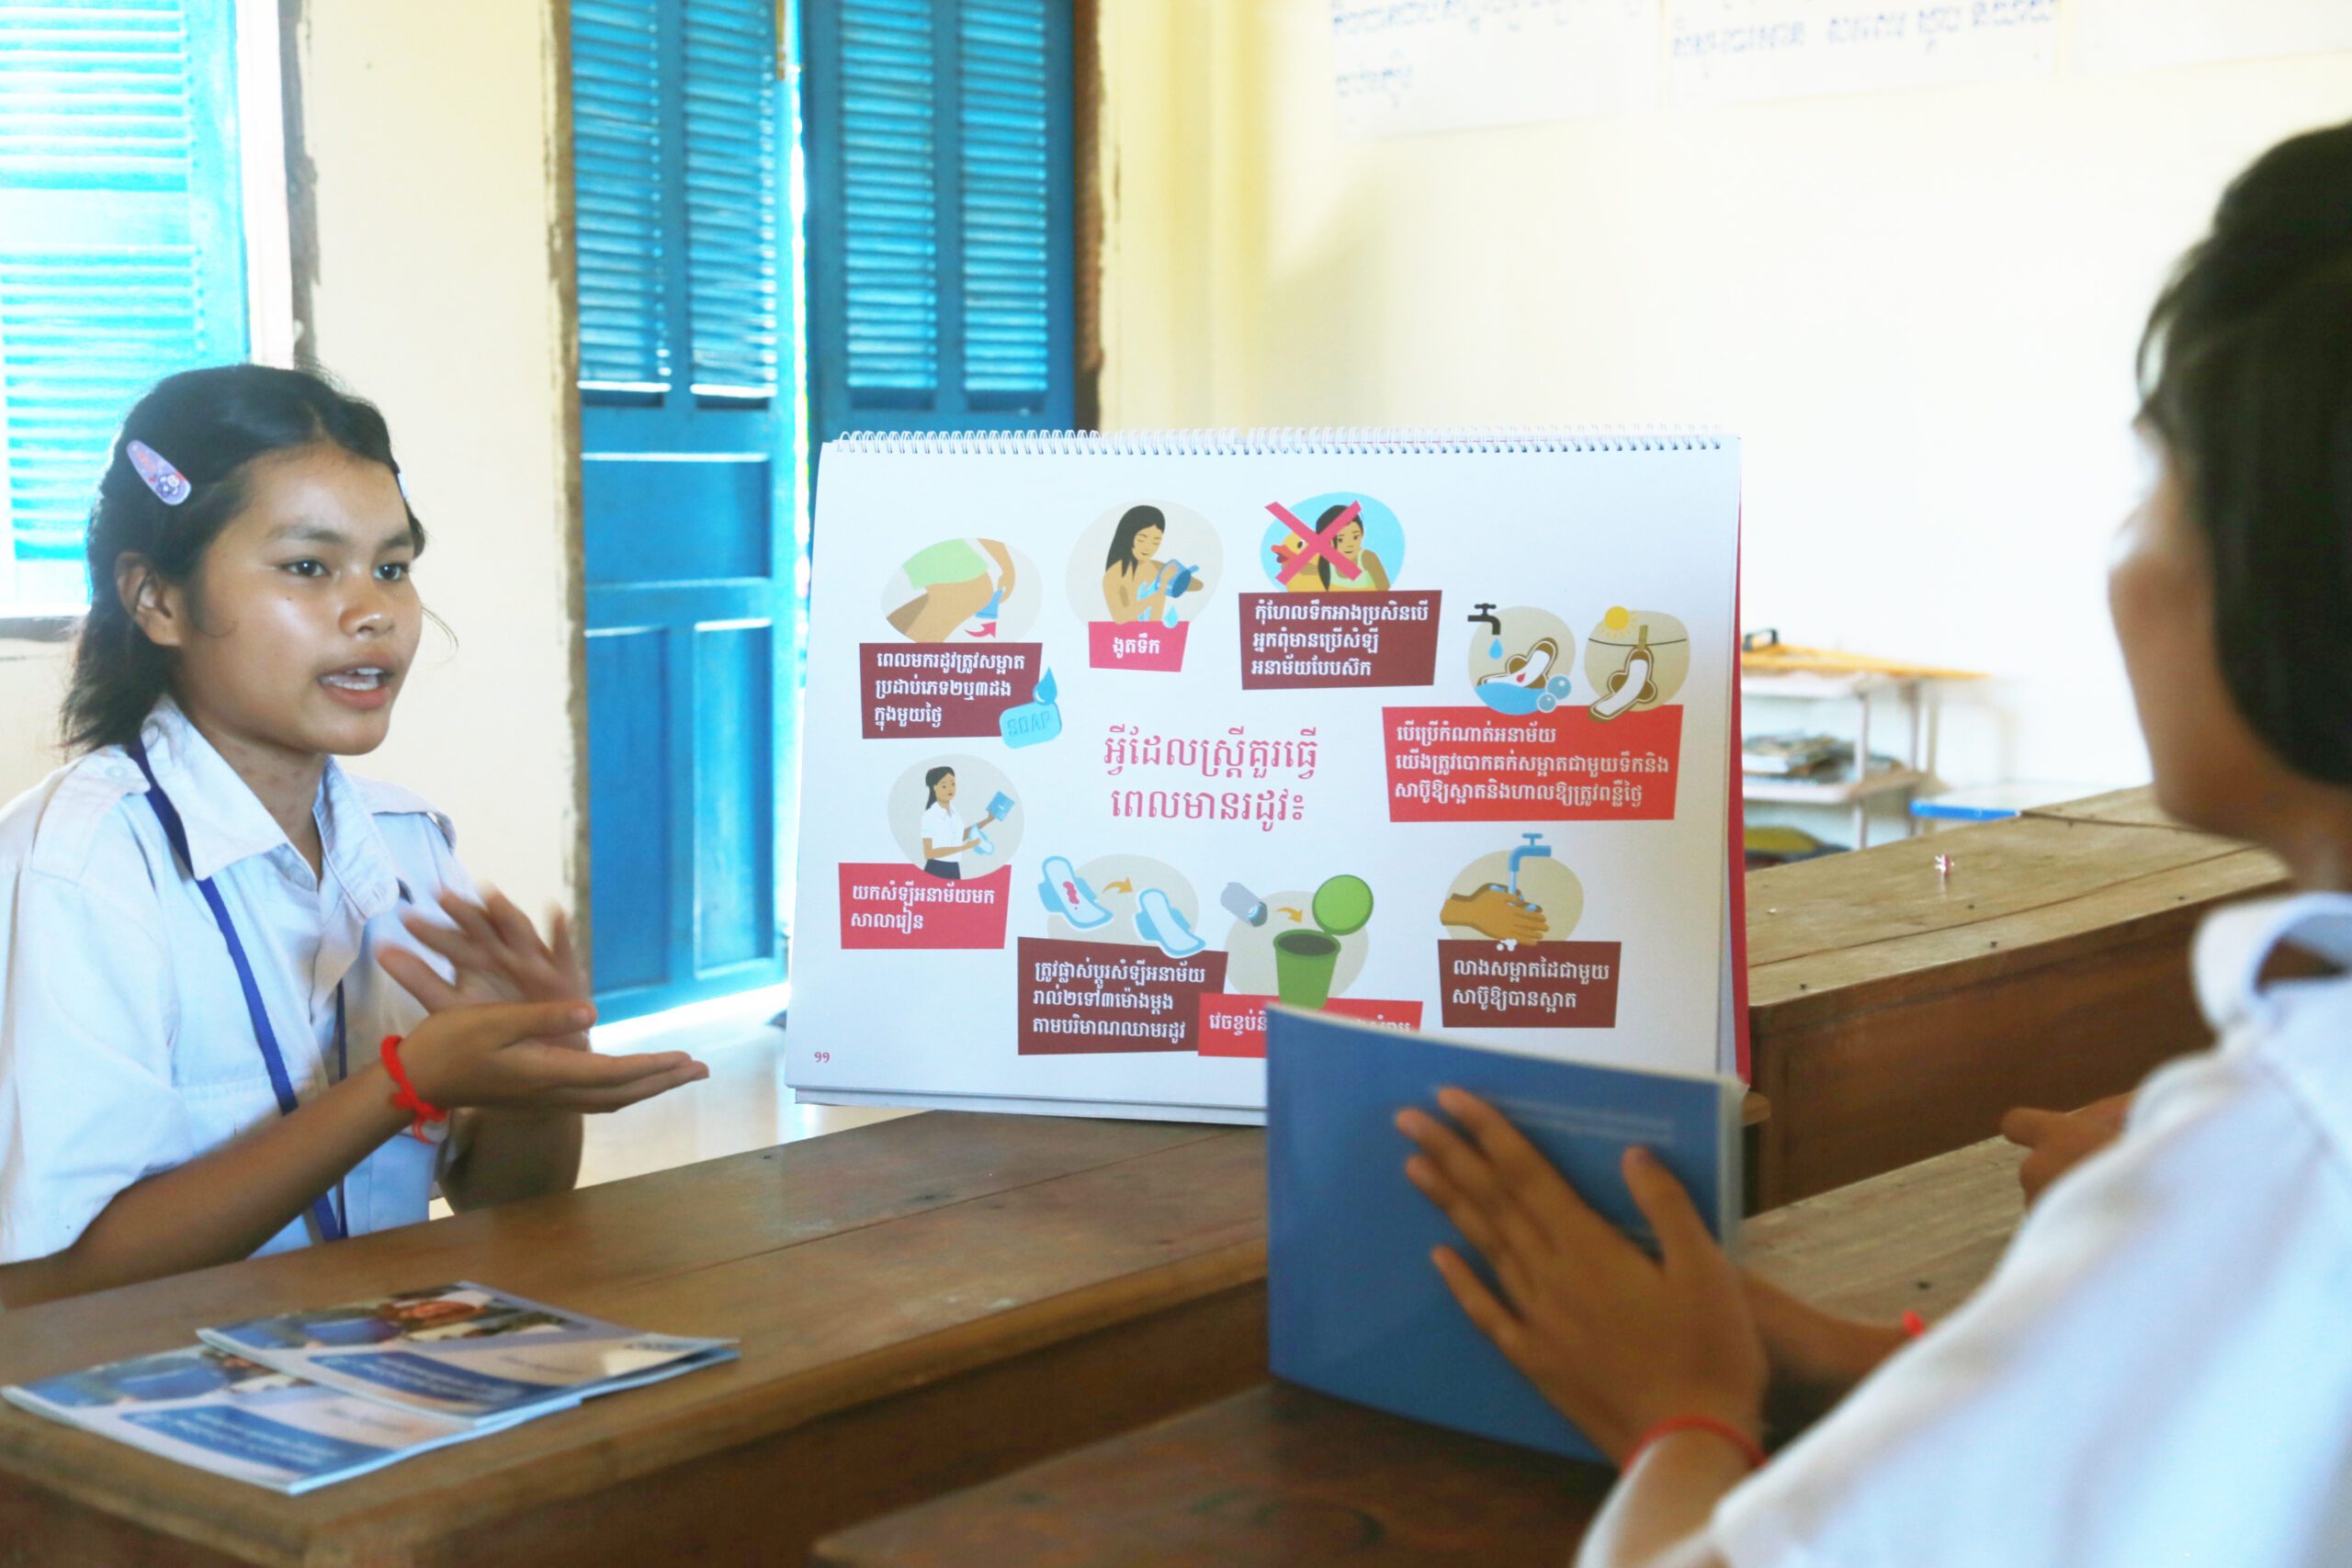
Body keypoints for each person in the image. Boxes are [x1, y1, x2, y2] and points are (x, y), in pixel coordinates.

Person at [1397, 119, 2352, 1568]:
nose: (2130, 556)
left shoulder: (2269, 1170)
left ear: (2282, 565)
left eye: (2156, 480)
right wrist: (1866, 1359)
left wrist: (1679, 1416)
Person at [0, 365, 708, 1311]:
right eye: (307, 567)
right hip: (147, 1408)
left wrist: (529, 1078)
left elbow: (509, 1200)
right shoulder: (79, 866)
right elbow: (46, 1286)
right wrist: (403, 1084)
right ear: (157, 600)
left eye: (392, 567)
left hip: (370, 1382)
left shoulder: (404, 843)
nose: (373, 611)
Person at [1102, 504, 1204, 622]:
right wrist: (1162, 587)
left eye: (1156, 542)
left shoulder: (1157, 567)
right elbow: (1121, 618)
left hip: (1154, 633)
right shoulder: (1114, 575)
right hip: (1129, 637)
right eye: (1142, 539)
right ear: (1128, 536)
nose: (1148, 547)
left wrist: (1181, 575)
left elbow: (1198, 586)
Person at [917, 765, 992, 879]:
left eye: (953, 784)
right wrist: (964, 848)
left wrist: (988, 820)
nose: (950, 789)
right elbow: (929, 853)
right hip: (936, 868)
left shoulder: (954, 813)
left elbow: (960, 836)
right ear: (934, 787)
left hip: (954, 867)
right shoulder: (930, 815)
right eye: (944, 785)